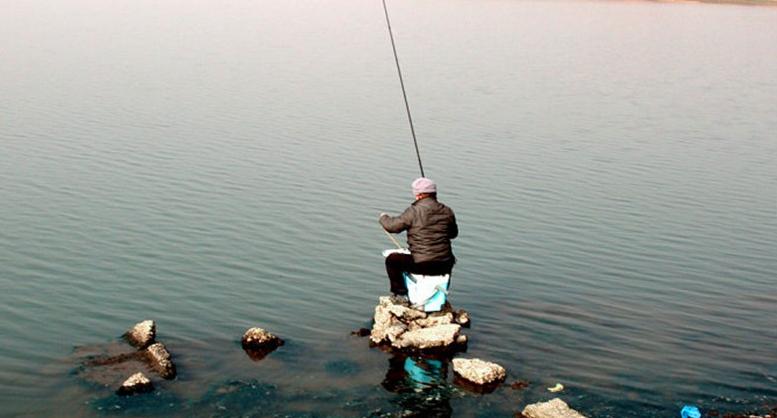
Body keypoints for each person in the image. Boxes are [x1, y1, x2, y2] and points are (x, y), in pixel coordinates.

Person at [379, 177, 458, 303]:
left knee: (392, 260)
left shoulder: (414, 211)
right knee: (447, 260)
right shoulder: (447, 211)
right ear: (434, 193)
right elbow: (453, 234)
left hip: (423, 264)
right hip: (445, 265)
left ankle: (400, 294)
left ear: (419, 195)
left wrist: (383, 218)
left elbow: (392, 227)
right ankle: (439, 297)